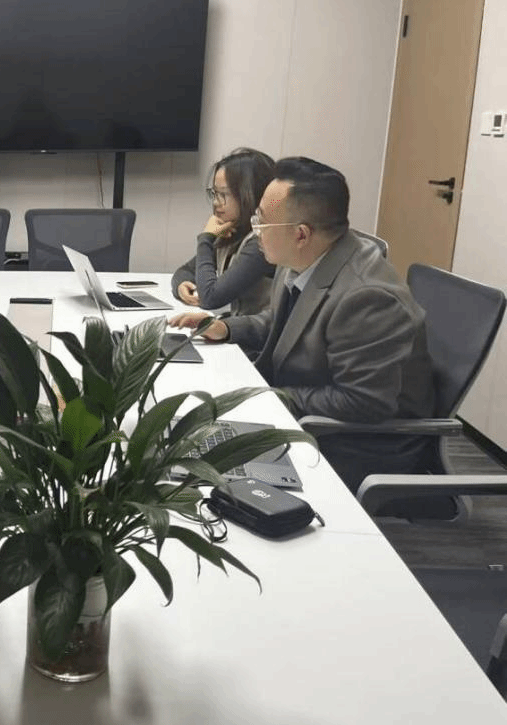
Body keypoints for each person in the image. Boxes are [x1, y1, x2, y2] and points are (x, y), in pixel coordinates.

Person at [169, 156, 435, 490]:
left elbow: (363, 403)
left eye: (261, 222)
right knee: (184, 441)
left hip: (356, 444)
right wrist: (226, 328)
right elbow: (284, 321)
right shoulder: (302, 258)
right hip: (305, 415)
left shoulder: (367, 298)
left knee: (199, 477)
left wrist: (268, 396)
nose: (254, 230)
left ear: (300, 234)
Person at [171, 147, 276, 316]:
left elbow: (210, 298)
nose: (215, 202)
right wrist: (181, 285)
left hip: (255, 331)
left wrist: (206, 238)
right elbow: (185, 271)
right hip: (234, 326)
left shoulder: (260, 243)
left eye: (223, 195)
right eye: (214, 194)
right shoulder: (231, 231)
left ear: (251, 194)